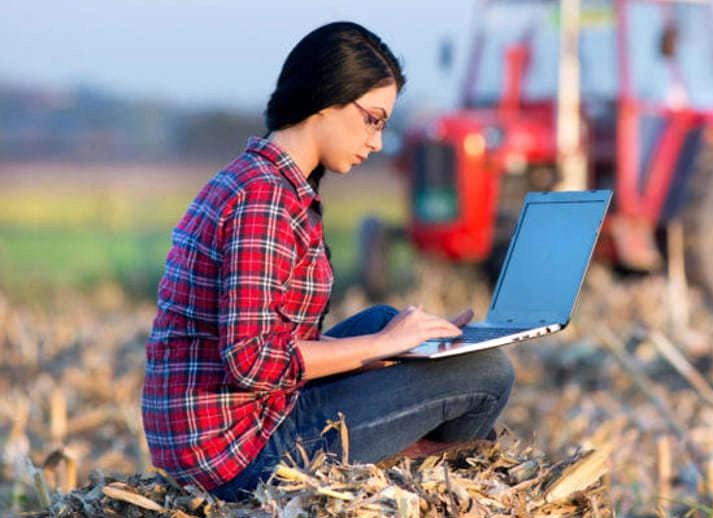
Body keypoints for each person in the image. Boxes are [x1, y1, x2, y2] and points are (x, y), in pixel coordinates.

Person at [141, 21, 516, 502]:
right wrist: (381, 345)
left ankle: (409, 464)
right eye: (373, 119)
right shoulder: (265, 199)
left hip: (238, 424)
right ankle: (420, 481)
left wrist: (395, 344)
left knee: (401, 326)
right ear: (328, 99)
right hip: (237, 456)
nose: (378, 141)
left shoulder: (264, 180)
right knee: (487, 374)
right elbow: (252, 362)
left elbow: (271, 348)